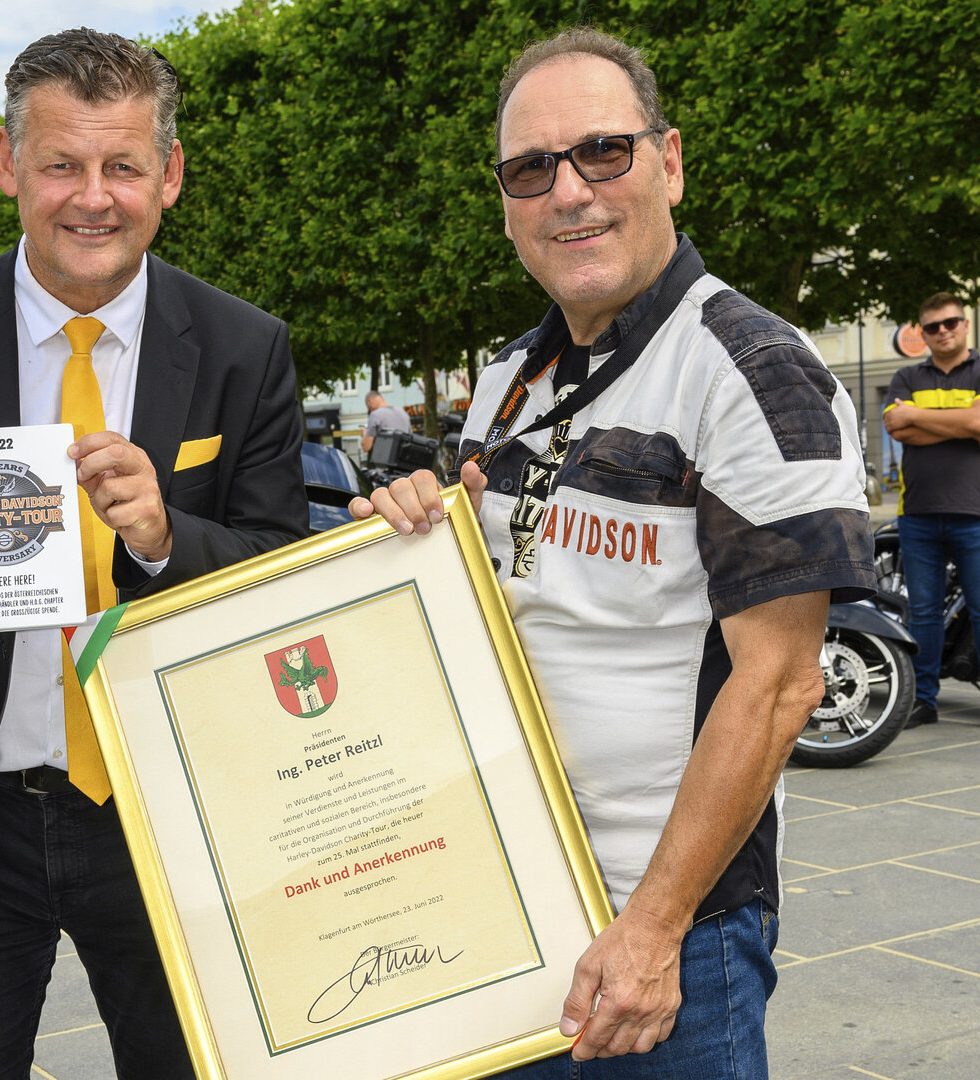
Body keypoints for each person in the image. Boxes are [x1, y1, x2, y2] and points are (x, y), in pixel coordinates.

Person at [351, 28, 874, 1076]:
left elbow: (778, 684)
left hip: (659, 931)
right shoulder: (507, 379)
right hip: (496, 901)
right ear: (506, 203)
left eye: (603, 152)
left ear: (668, 162)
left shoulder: (756, 370)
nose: (569, 191)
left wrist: (652, 929)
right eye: (530, 169)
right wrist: (404, 535)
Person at [0, 28, 307, 1080]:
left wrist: (166, 538)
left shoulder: (244, 348)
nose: (92, 197)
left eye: (122, 165)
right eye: (61, 164)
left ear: (168, 174)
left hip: (172, 817)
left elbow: (276, 570)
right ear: (6, 166)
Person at [883, 292, 980, 726]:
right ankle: (923, 700)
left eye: (951, 323)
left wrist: (919, 418)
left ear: (965, 325)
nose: (943, 331)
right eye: (933, 326)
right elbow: (895, 425)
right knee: (923, 614)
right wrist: (963, 424)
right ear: (922, 333)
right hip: (918, 515)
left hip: (978, 515)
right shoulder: (906, 376)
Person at [360, 389, 413, 454]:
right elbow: (411, 439)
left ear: (370, 401)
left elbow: (366, 447)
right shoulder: (403, 413)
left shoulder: (375, 415)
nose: (371, 411)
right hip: (404, 459)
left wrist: (365, 433)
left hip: (386, 459)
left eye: (369, 409)